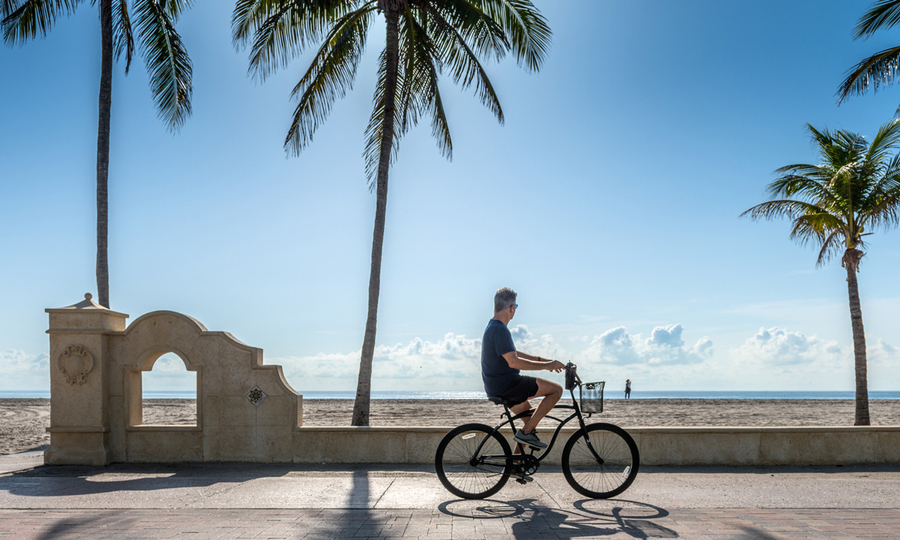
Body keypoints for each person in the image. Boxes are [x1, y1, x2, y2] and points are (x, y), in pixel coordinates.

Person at [481, 287, 565, 449]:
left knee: (530, 422)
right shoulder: (500, 330)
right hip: (508, 385)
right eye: (516, 307)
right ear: (512, 308)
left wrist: (545, 361)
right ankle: (525, 434)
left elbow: (514, 354)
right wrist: (547, 366)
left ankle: (516, 465)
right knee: (556, 390)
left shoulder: (493, 327)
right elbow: (514, 362)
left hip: (498, 386)